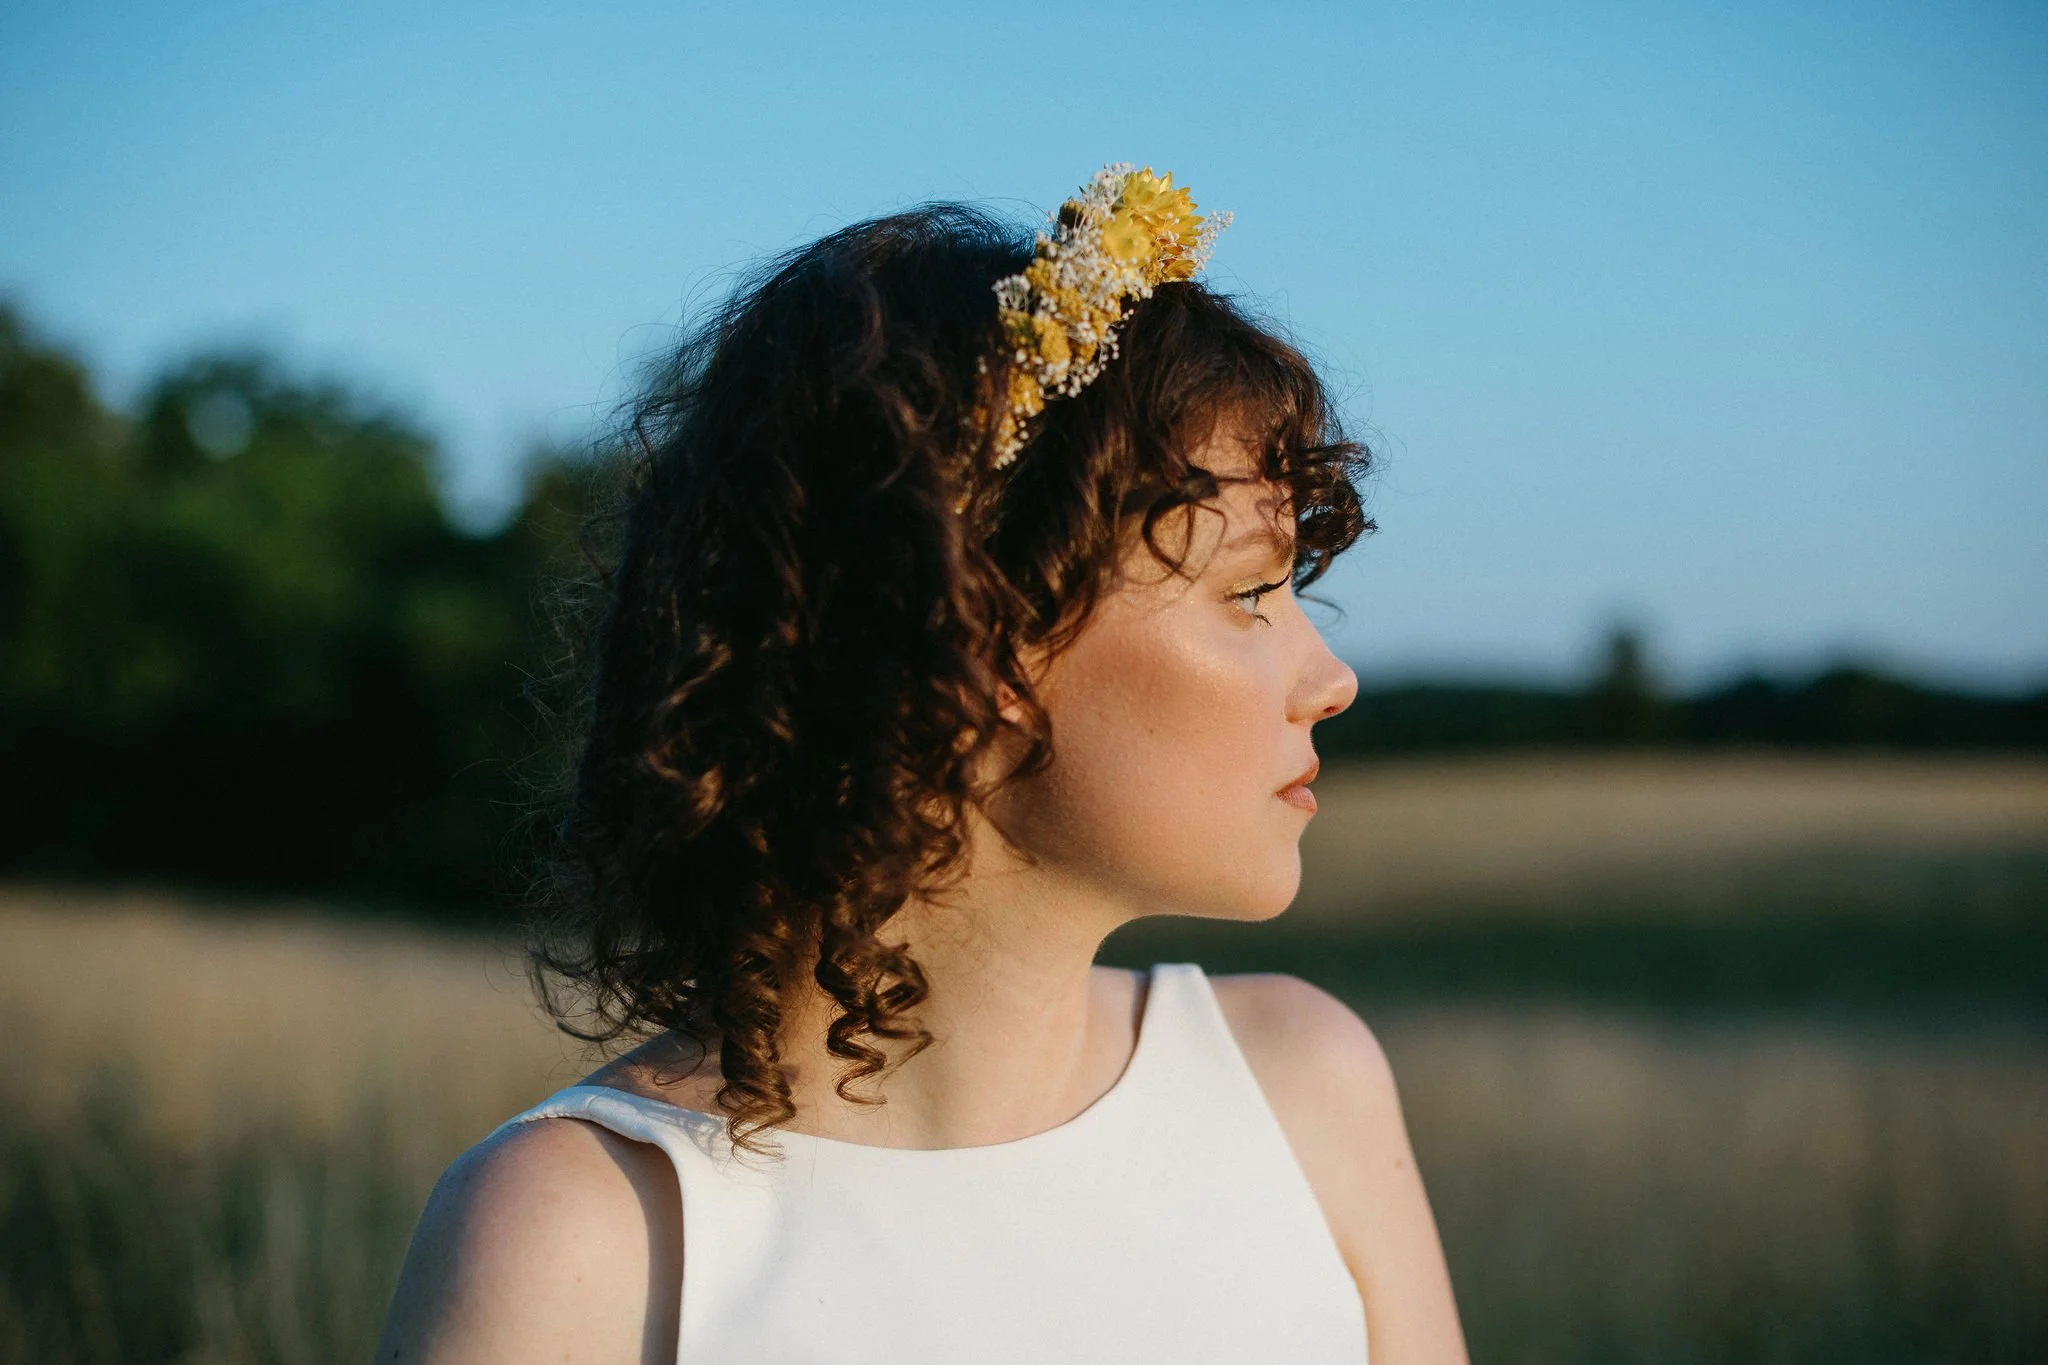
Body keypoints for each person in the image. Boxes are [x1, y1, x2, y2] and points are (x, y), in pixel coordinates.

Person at [376, 165, 1468, 1364]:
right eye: (1249, 593)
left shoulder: (1303, 1092)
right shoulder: (584, 1240)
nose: (1331, 678)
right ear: (978, 630)